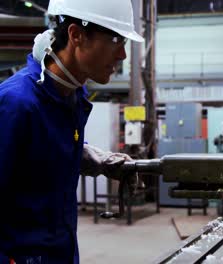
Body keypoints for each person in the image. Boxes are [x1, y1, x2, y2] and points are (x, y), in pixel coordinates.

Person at [0, 0, 144, 263]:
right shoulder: (16, 104)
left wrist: (97, 159)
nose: (123, 55)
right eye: (115, 40)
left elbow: (41, 155)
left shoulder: (72, 95)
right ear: (76, 35)